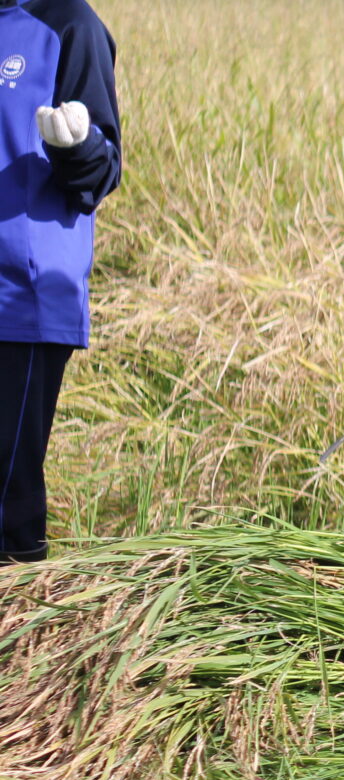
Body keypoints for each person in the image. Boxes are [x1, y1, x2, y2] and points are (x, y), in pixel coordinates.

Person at [0, 0, 122, 564]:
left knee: (5, 504)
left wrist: (77, 147)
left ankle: (21, 641)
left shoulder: (69, 23)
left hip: (21, 301)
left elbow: (101, 174)